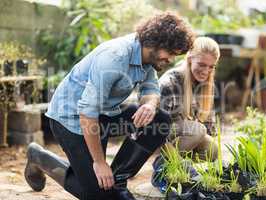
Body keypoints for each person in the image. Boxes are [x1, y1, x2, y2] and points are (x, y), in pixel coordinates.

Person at [24, 12, 194, 200]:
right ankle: (40, 158)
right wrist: (99, 162)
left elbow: (151, 88)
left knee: (159, 119)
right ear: (155, 41)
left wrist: (150, 105)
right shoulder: (114, 57)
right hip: (71, 119)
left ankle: (117, 180)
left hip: (104, 114)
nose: (171, 60)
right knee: (100, 196)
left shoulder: (148, 57)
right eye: (170, 53)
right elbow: (87, 113)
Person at [159, 37, 220, 161]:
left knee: (212, 148)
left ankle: (186, 173)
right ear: (190, 59)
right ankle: (164, 165)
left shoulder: (205, 85)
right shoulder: (170, 82)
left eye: (211, 67)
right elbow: (157, 129)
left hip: (184, 138)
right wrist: (176, 160)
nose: (206, 71)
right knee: (197, 130)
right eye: (202, 65)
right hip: (158, 137)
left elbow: (210, 128)